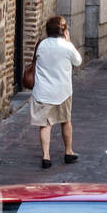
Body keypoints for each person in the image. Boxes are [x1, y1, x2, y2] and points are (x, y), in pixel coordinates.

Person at [30, 15, 82, 169]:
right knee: (66, 121)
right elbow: (78, 61)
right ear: (63, 31)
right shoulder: (67, 46)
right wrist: (69, 41)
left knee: (45, 124)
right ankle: (68, 151)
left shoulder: (41, 45)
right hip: (62, 92)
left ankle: (46, 156)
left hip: (43, 92)